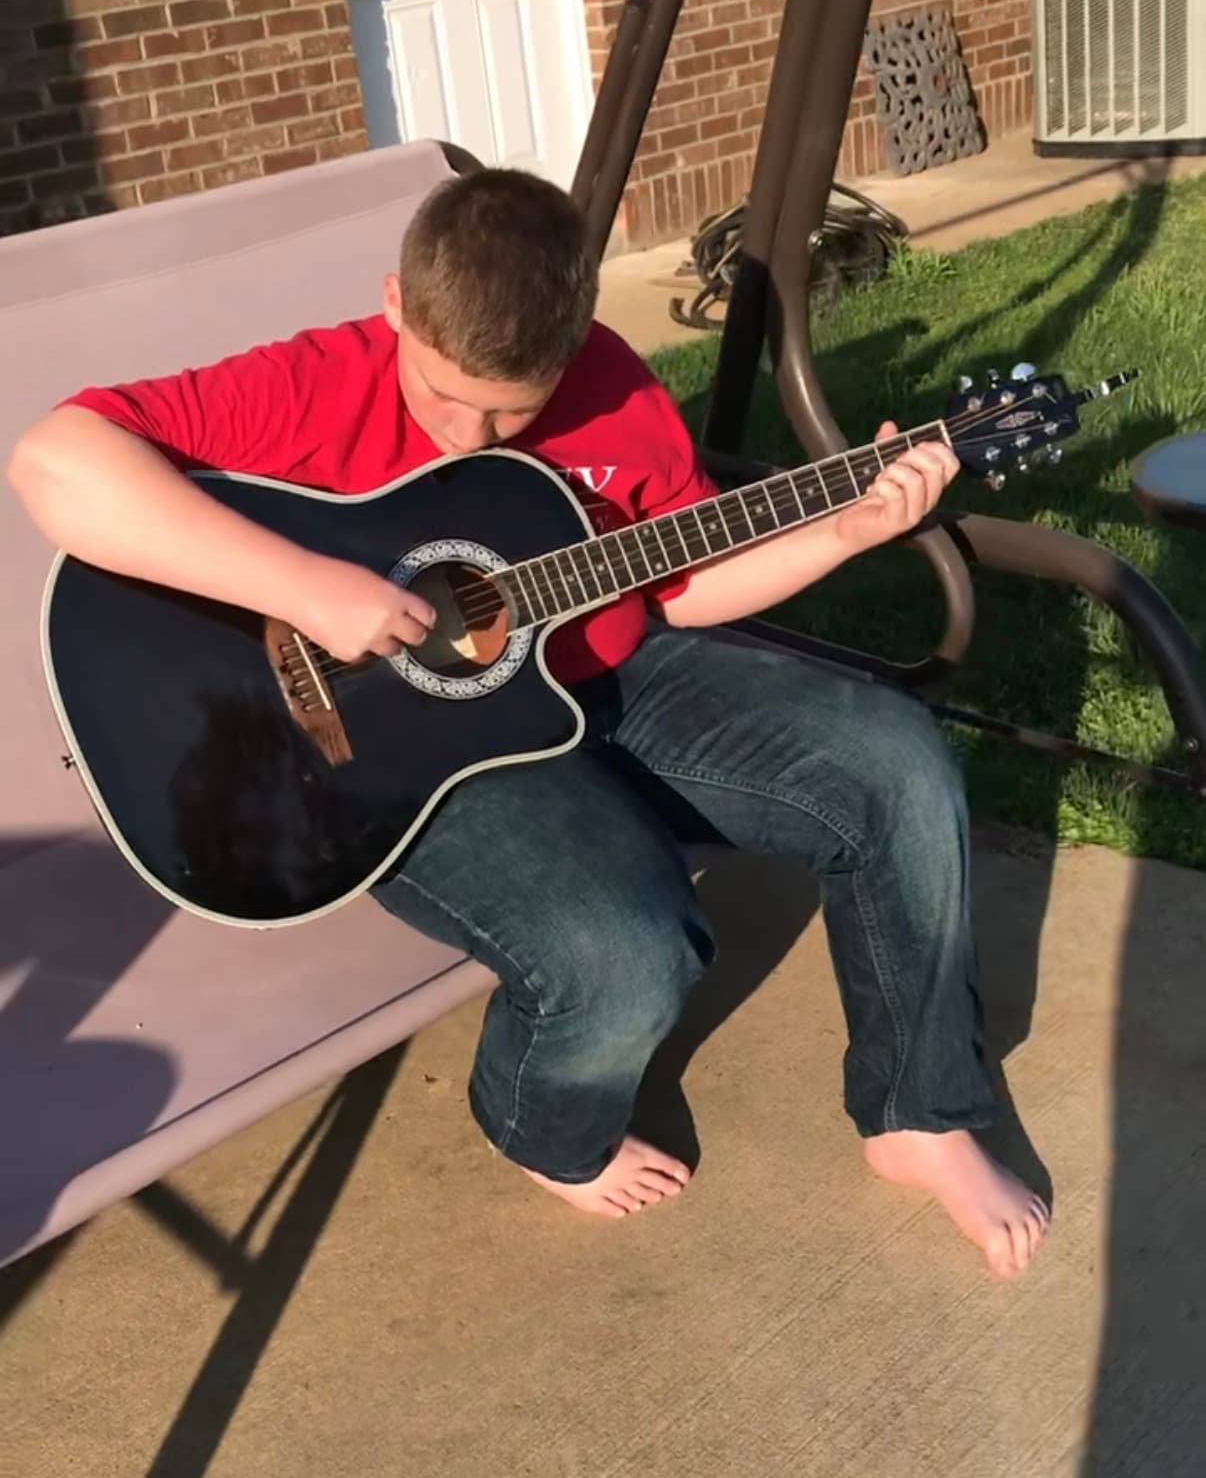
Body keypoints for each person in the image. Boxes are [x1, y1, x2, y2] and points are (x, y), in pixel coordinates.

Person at [7, 166, 1048, 1278]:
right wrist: (305, 585)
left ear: (575, 339)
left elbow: (684, 584)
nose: (471, 433)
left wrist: (841, 532)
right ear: (396, 305)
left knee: (894, 761)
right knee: (629, 949)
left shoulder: (611, 386)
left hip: (604, 678)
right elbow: (55, 461)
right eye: (444, 394)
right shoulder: (316, 384)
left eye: (513, 410)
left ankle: (920, 1114)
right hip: (404, 754)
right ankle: (542, 1127)